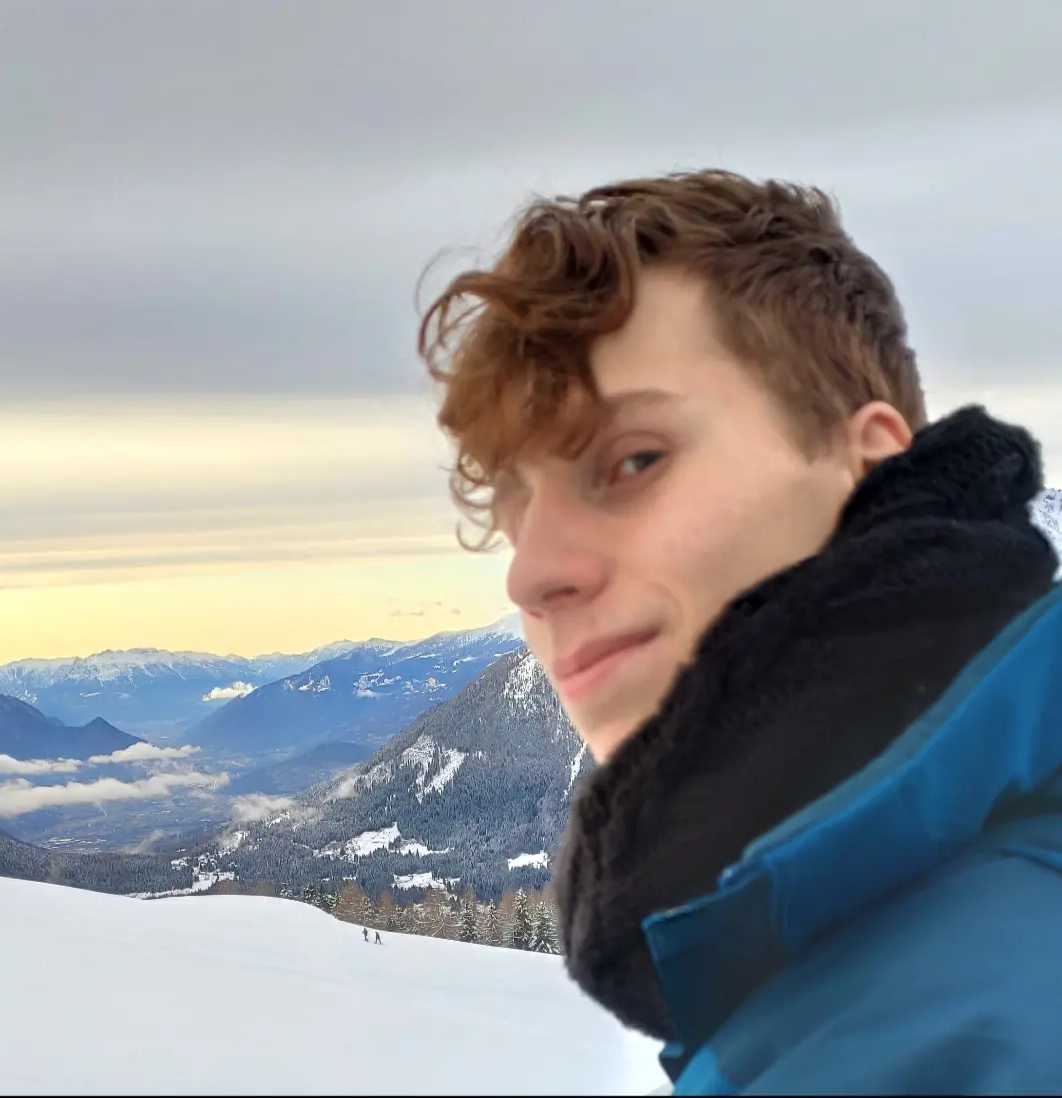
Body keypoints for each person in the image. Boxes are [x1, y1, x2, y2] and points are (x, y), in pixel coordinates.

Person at [418, 169, 1062, 1094]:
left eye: (632, 461)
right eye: (517, 510)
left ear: (867, 463)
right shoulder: (843, 971)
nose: (532, 573)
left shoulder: (975, 1025)